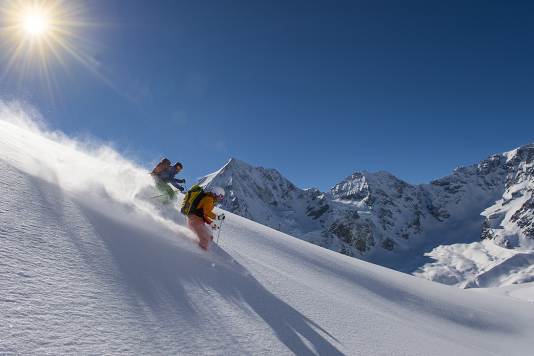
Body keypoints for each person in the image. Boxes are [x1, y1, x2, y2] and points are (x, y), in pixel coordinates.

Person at [181, 185, 225, 250]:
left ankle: (196, 247)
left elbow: (203, 215)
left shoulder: (208, 198)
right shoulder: (209, 199)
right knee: (205, 239)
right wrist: (217, 217)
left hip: (196, 220)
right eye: (220, 196)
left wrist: (211, 223)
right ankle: (199, 256)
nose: (220, 198)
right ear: (217, 193)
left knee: (210, 237)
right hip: (195, 220)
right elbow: (206, 212)